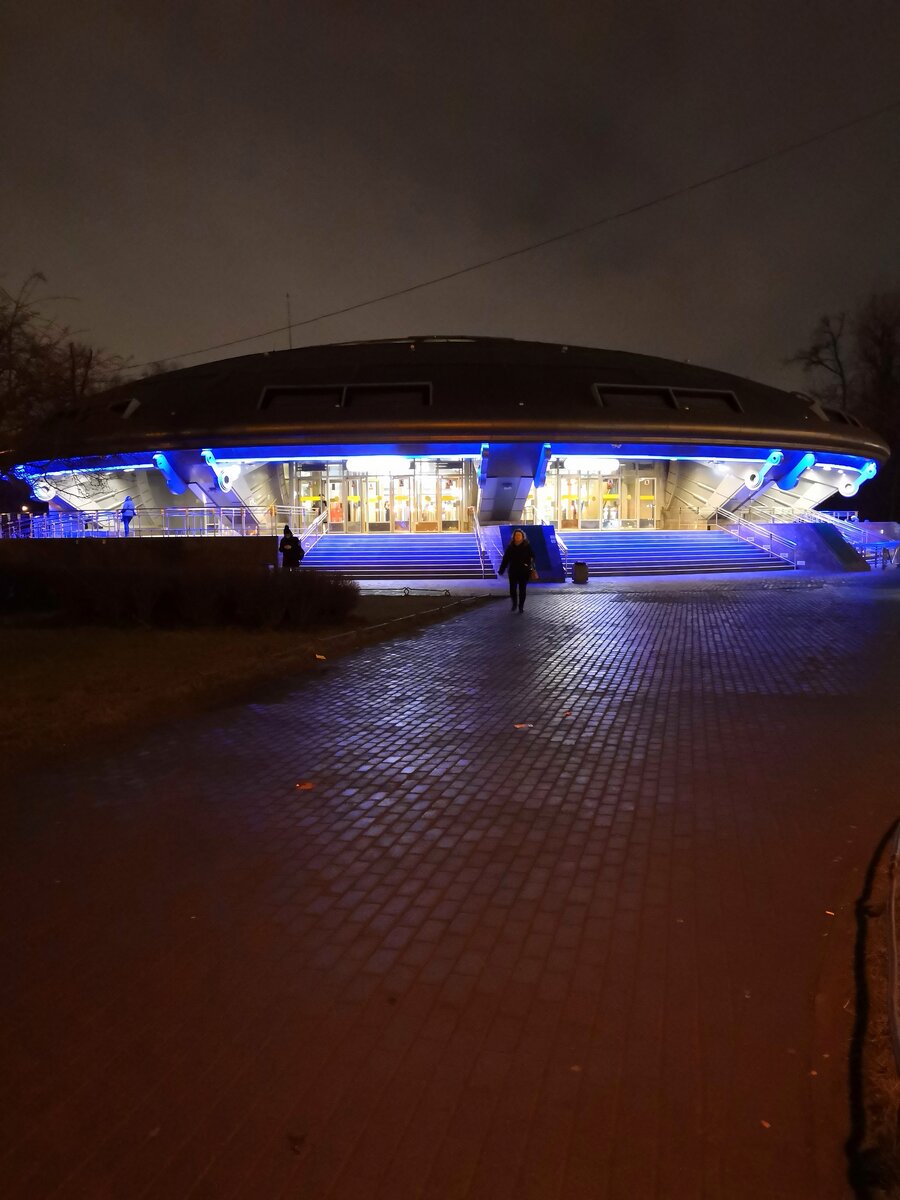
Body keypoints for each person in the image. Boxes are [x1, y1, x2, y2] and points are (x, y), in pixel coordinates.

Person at [498, 528, 536, 614]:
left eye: (519, 535)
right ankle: (514, 604)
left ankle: (521, 606)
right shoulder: (510, 547)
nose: (518, 537)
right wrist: (501, 570)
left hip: (524, 571)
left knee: (522, 590)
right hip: (513, 571)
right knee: (512, 589)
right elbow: (505, 559)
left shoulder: (527, 546)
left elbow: (533, 556)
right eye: (516, 535)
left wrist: (528, 564)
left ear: (523, 537)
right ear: (514, 537)